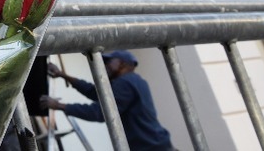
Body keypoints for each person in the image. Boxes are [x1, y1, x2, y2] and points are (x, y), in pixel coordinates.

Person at [40, 50, 174, 151]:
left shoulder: (125, 82)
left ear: (122, 63)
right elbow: (96, 93)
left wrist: (59, 105)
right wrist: (63, 75)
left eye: (109, 61)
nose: (105, 65)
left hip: (150, 147)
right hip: (156, 144)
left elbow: (101, 112)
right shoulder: (136, 81)